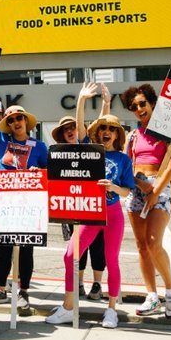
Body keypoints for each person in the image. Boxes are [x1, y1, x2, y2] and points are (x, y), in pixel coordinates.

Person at [46, 114, 135, 328]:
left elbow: (126, 190)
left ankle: (111, 310)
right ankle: (68, 307)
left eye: (112, 129)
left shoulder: (123, 159)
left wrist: (112, 187)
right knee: (70, 256)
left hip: (112, 213)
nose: (107, 132)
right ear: (97, 132)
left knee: (111, 260)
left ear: (117, 134)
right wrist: (83, 100)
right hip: (89, 211)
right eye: (103, 128)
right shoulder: (91, 152)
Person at [0, 77, 47, 310]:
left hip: (28, 205)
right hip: (5, 203)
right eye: (12, 119)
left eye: (20, 118)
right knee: (3, 246)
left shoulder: (40, 146)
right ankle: (1, 288)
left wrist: (39, 171)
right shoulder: (2, 140)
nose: (16, 122)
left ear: (26, 121)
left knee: (26, 249)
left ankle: (23, 291)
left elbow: (50, 173)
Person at [120, 83, 171, 318]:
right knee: (141, 246)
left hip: (160, 186)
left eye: (142, 103)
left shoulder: (167, 132)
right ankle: (152, 296)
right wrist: (138, 183)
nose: (138, 108)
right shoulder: (133, 135)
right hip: (138, 186)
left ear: (152, 103)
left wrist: (155, 191)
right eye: (133, 106)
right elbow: (127, 164)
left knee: (154, 241)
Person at [52, 81, 110, 300]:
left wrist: (104, 103)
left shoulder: (90, 145)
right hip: (71, 205)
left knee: (98, 246)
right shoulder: (58, 153)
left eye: (73, 127)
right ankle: (79, 283)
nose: (71, 131)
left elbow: (103, 124)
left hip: (94, 202)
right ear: (61, 134)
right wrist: (81, 99)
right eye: (66, 129)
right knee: (77, 247)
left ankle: (97, 285)